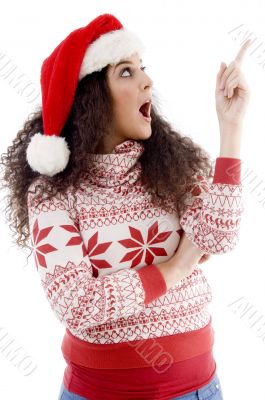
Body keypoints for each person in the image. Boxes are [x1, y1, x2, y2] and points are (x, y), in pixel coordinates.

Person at [0, 13, 251, 400]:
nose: (148, 81)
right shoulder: (51, 195)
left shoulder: (175, 165)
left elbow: (218, 237)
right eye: (125, 72)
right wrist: (177, 266)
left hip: (200, 389)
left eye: (143, 68)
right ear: (91, 98)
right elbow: (80, 305)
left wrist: (230, 128)